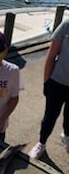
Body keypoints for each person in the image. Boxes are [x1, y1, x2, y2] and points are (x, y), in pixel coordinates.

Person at [29, 20, 69, 159]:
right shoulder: (66, 25)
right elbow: (51, 55)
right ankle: (42, 143)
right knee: (50, 117)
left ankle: (66, 136)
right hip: (57, 82)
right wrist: (46, 81)